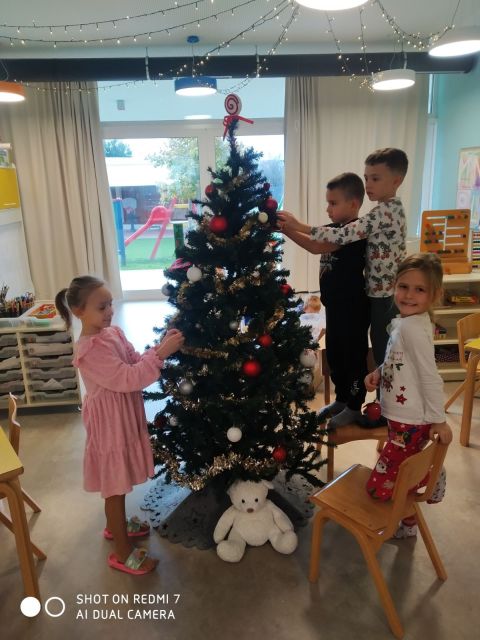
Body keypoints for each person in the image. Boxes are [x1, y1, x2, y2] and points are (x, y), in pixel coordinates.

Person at [55, 276, 184, 575]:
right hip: (110, 427)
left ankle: (116, 527)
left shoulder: (113, 333)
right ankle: (122, 552)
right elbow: (128, 378)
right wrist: (162, 354)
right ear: (79, 311)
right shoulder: (89, 350)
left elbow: (134, 361)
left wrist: (159, 346)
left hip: (122, 418)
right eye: (101, 307)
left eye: (110, 304)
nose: (110, 311)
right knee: (115, 486)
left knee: (119, 480)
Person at [278, 148, 408, 388]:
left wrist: (297, 225)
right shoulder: (382, 211)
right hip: (374, 294)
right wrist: (288, 229)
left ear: (396, 181)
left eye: (375, 178)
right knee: (370, 351)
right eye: (366, 178)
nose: (368, 184)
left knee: (382, 353)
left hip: (384, 296)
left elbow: (342, 234)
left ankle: (385, 403)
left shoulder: (386, 212)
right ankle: (368, 400)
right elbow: (325, 240)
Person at [364, 253, 452, 537]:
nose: (409, 295)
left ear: (434, 295)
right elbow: (398, 359)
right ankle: (410, 523)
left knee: (380, 486)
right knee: (402, 473)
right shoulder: (407, 323)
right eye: (404, 287)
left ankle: (430, 473)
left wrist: (439, 420)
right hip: (401, 416)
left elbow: (429, 377)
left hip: (410, 420)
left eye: (419, 289)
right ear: (394, 286)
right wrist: (379, 372)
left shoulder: (413, 329)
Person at [281, 172, 370, 427]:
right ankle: (342, 399)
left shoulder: (355, 233)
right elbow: (314, 241)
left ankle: (354, 406)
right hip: (335, 308)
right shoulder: (334, 229)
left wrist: (291, 227)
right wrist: (286, 228)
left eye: (333, 203)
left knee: (353, 357)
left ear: (353, 204)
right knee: (336, 355)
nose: (327, 208)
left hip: (352, 309)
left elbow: (317, 246)